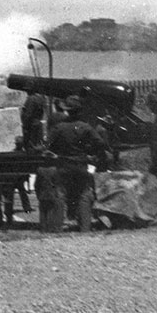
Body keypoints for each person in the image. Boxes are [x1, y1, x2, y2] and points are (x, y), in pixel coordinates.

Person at [44, 95, 109, 231]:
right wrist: (89, 152)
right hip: (81, 165)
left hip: (63, 166)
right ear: (80, 111)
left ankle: (57, 228)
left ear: (67, 111)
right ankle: (85, 228)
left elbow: (48, 146)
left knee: (60, 195)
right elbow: (101, 144)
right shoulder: (85, 127)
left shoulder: (59, 128)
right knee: (84, 195)